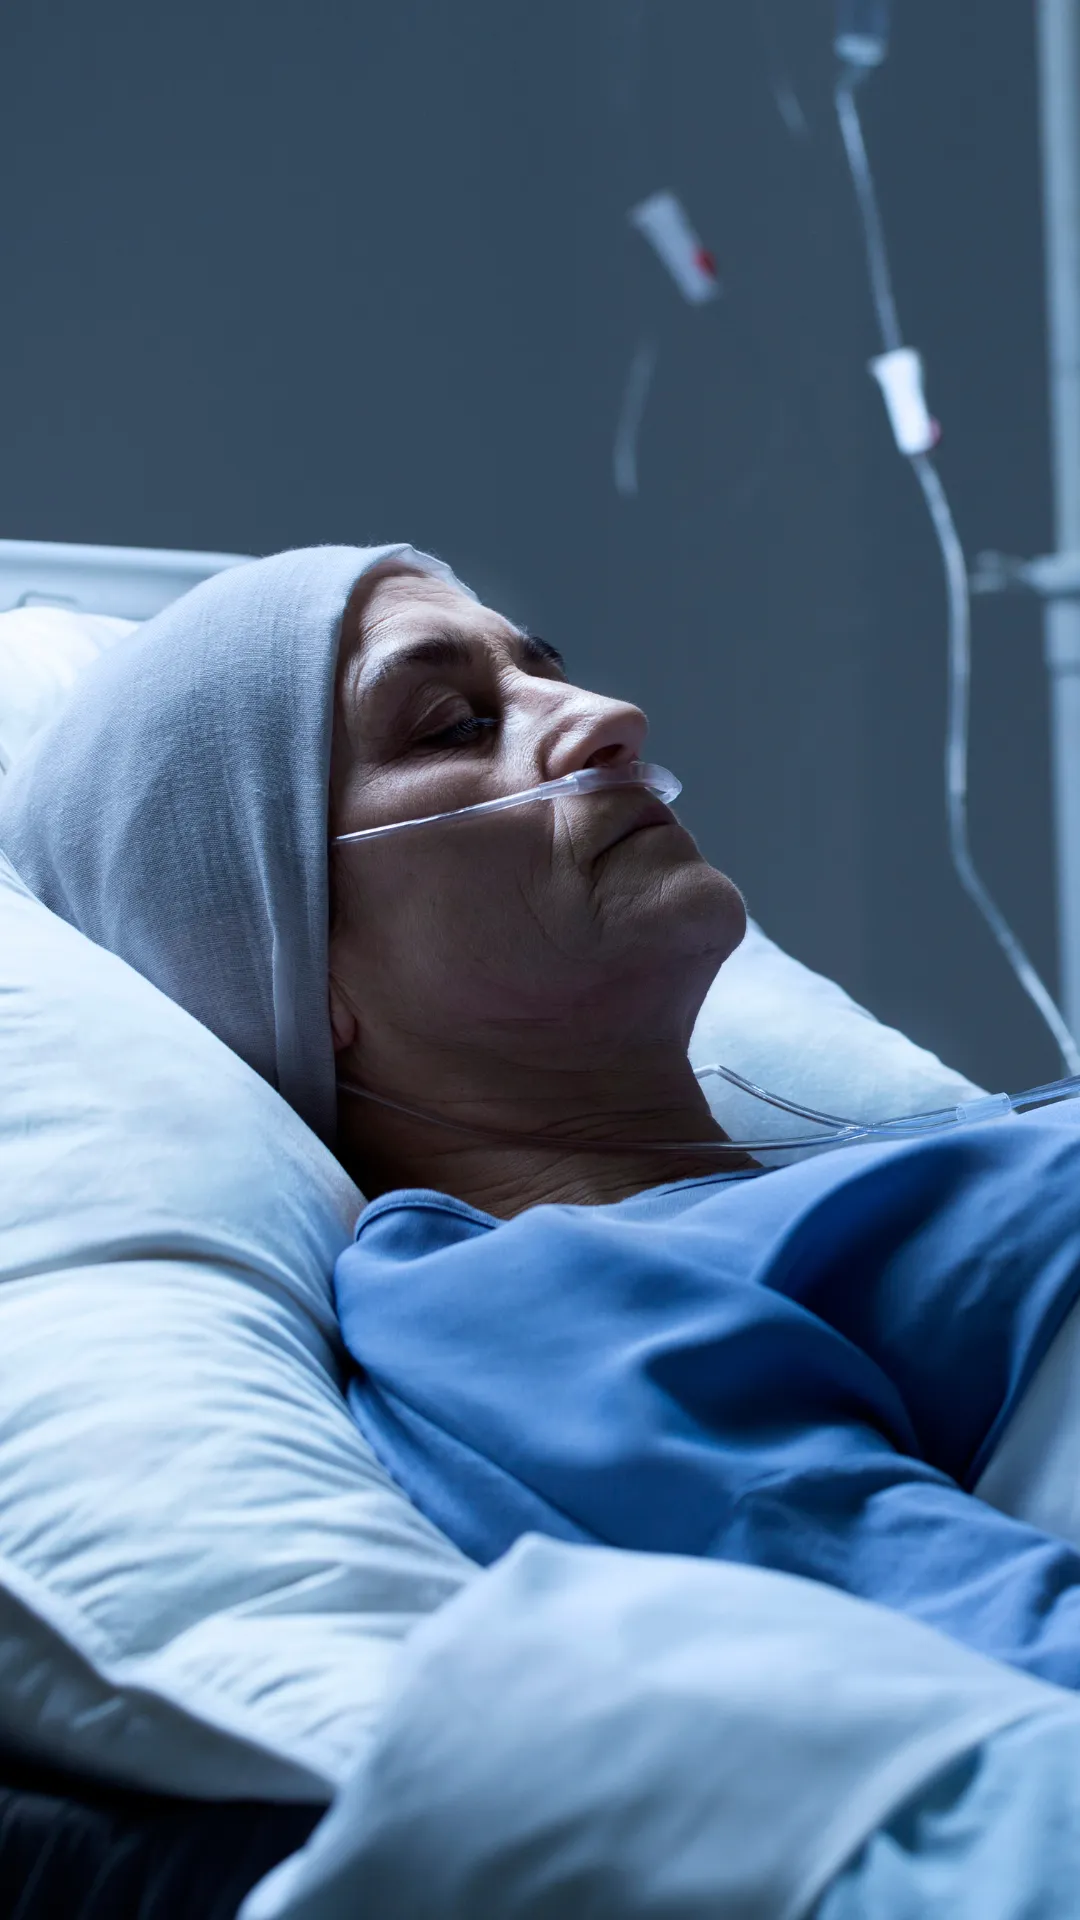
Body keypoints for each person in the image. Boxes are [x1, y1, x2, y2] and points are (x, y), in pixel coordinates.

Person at [5, 544, 1080, 1694]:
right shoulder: (501, 1303)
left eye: (542, 674)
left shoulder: (853, 1183)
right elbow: (967, 1656)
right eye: (455, 726)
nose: (611, 717)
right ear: (285, 965)